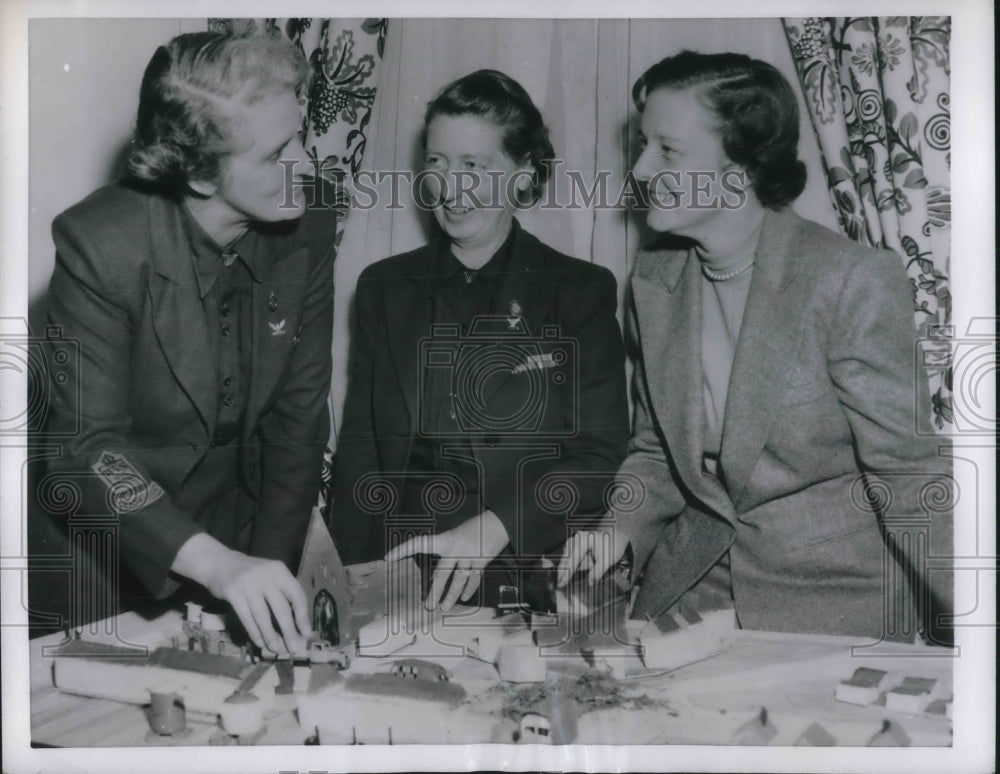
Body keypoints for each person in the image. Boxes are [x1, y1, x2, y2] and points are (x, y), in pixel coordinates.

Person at [558, 51, 953, 642]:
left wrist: (978, 616)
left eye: (667, 149)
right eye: (643, 145)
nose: (640, 169)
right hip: (692, 586)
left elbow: (908, 470)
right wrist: (616, 530)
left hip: (835, 602)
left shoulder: (848, 278)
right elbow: (657, 451)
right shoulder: (654, 278)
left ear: (739, 166)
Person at [41, 32, 337, 654]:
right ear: (201, 172)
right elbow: (89, 450)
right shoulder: (101, 245)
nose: (305, 166)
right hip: (99, 562)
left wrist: (263, 577)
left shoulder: (306, 226)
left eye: (301, 137)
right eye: (278, 153)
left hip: (234, 546)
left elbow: (297, 425)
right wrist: (217, 565)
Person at [331, 69, 629, 611]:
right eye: (438, 162)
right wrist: (349, 582)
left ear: (523, 175)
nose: (450, 186)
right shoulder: (382, 288)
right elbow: (361, 452)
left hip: (525, 575)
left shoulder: (580, 291)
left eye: (475, 166)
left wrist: (498, 527)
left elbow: (600, 456)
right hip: (403, 577)